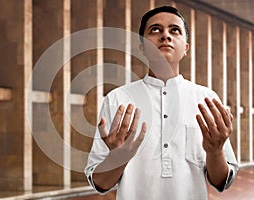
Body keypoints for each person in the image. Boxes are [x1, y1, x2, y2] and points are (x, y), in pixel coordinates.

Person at [85, 6, 238, 200]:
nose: (165, 35)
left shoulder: (207, 99)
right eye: (155, 30)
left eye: (175, 30)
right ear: (141, 46)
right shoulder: (118, 99)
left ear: (186, 48)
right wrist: (118, 157)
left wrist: (215, 152)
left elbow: (221, 181)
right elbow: (100, 183)